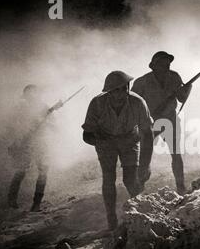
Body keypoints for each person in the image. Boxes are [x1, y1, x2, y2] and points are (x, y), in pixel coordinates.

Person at [82, 71, 154, 230]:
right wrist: (101, 142)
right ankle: (111, 220)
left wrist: (145, 164)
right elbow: (86, 135)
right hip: (105, 141)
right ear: (108, 91)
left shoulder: (138, 102)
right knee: (108, 178)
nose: (121, 93)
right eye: (116, 90)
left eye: (124, 88)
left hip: (129, 140)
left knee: (131, 179)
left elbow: (147, 134)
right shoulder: (97, 103)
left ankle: (141, 213)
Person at [132, 51, 192, 195]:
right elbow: (132, 103)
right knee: (145, 156)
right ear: (154, 66)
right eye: (162, 63)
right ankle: (139, 186)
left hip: (170, 119)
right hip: (149, 122)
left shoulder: (174, 77)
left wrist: (188, 88)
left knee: (176, 153)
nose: (166, 66)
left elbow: (182, 98)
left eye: (168, 63)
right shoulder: (142, 82)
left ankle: (181, 186)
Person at [6, 84, 53, 212]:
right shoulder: (20, 108)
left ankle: (36, 204)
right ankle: (11, 199)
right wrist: (18, 138)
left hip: (40, 142)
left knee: (43, 171)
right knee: (22, 170)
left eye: (35, 92)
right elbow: (12, 125)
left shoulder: (43, 106)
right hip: (25, 142)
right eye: (30, 93)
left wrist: (47, 120)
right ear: (25, 95)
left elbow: (51, 122)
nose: (33, 95)